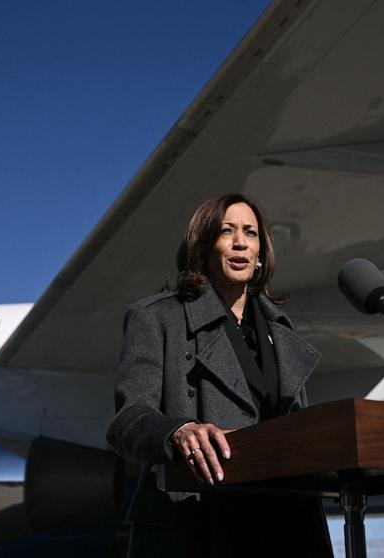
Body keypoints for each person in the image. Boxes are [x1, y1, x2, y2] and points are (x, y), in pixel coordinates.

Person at [106, 193, 334, 557]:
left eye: (251, 233)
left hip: (286, 523)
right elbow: (127, 422)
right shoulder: (157, 317)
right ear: (203, 244)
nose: (241, 242)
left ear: (261, 253)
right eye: (227, 231)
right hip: (195, 522)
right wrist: (178, 431)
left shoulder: (282, 332)